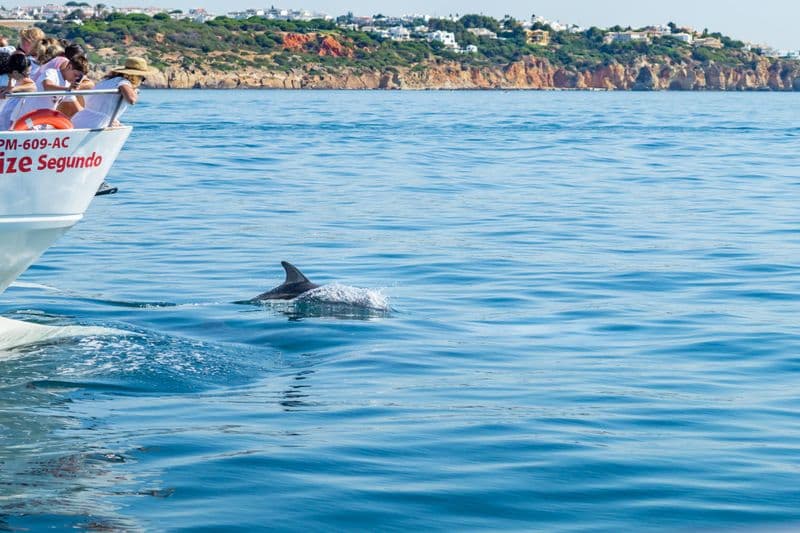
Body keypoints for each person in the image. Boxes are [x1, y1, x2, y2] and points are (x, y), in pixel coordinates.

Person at [71, 57, 152, 130]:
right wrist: (134, 91)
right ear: (135, 76)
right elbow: (132, 100)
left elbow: (103, 106)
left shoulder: (108, 81)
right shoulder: (123, 82)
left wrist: (111, 119)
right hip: (94, 124)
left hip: (78, 120)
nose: (142, 82)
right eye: (142, 78)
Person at [0, 53, 36, 130]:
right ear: (15, 72)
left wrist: (12, 89)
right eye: (27, 75)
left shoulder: (14, 76)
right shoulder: (3, 79)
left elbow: (33, 87)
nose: (28, 77)